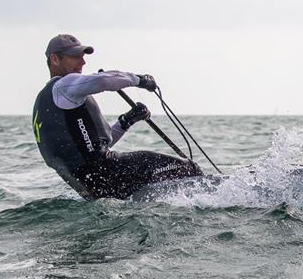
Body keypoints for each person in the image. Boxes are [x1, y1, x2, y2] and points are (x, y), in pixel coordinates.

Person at [32, 34, 202, 199]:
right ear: (55, 59)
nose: (83, 62)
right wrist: (140, 80)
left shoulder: (44, 103)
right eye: (75, 56)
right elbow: (103, 81)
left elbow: (90, 149)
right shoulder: (62, 86)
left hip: (95, 188)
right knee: (189, 169)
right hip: (109, 171)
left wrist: (127, 120)